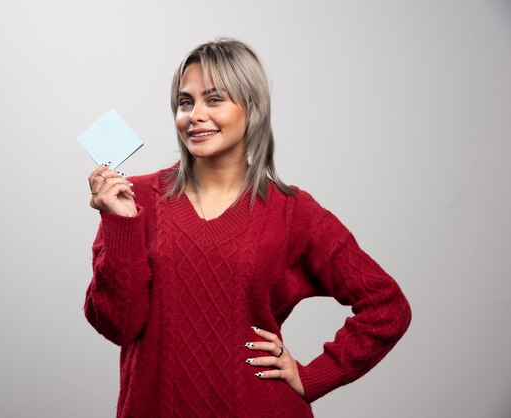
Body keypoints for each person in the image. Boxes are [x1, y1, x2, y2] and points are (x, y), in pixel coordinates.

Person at [84, 38, 411, 418]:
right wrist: (121, 223)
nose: (195, 115)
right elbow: (118, 326)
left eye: (215, 99)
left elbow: (387, 305)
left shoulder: (292, 211)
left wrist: (314, 375)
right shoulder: (134, 198)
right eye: (185, 102)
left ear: (252, 108)